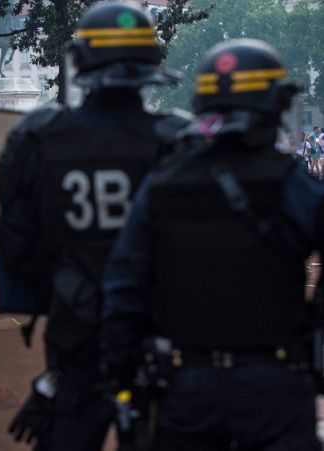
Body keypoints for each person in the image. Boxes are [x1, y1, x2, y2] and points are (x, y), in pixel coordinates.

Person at [100, 39, 321, 451]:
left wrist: (123, 379)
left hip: (186, 386)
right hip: (275, 381)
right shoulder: (291, 185)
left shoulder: (162, 185)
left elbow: (124, 286)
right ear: (274, 109)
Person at [0, 2, 187, 449]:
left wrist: (61, 283)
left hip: (75, 337)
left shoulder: (41, 139)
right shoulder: (178, 142)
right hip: (162, 334)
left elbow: (16, 241)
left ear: (79, 62)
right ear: (153, 64)